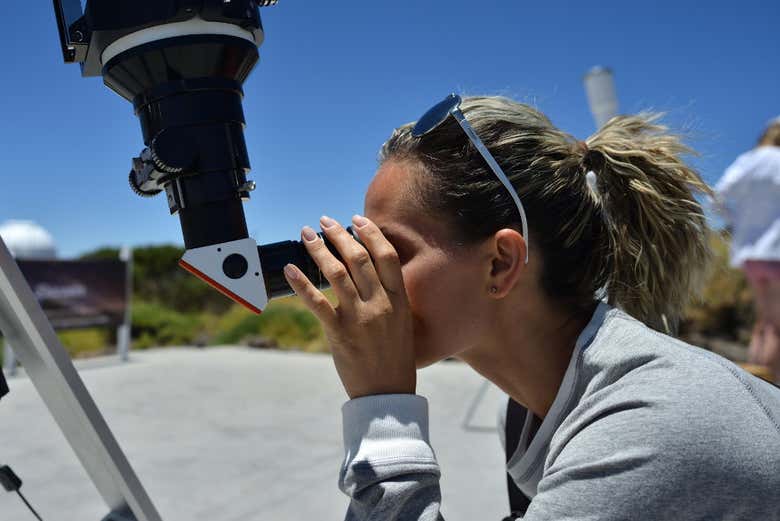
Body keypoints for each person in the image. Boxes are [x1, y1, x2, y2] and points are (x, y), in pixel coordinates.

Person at [282, 95, 780, 520]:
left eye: (393, 250)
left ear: (501, 263)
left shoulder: (648, 427)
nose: (370, 271)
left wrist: (384, 415)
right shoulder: (531, 411)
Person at [716, 118, 780, 383]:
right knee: (776, 323)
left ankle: (753, 378)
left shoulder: (748, 160)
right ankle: (770, 384)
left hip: (749, 253)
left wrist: (735, 222)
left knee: (763, 319)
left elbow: (717, 194)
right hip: (776, 251)